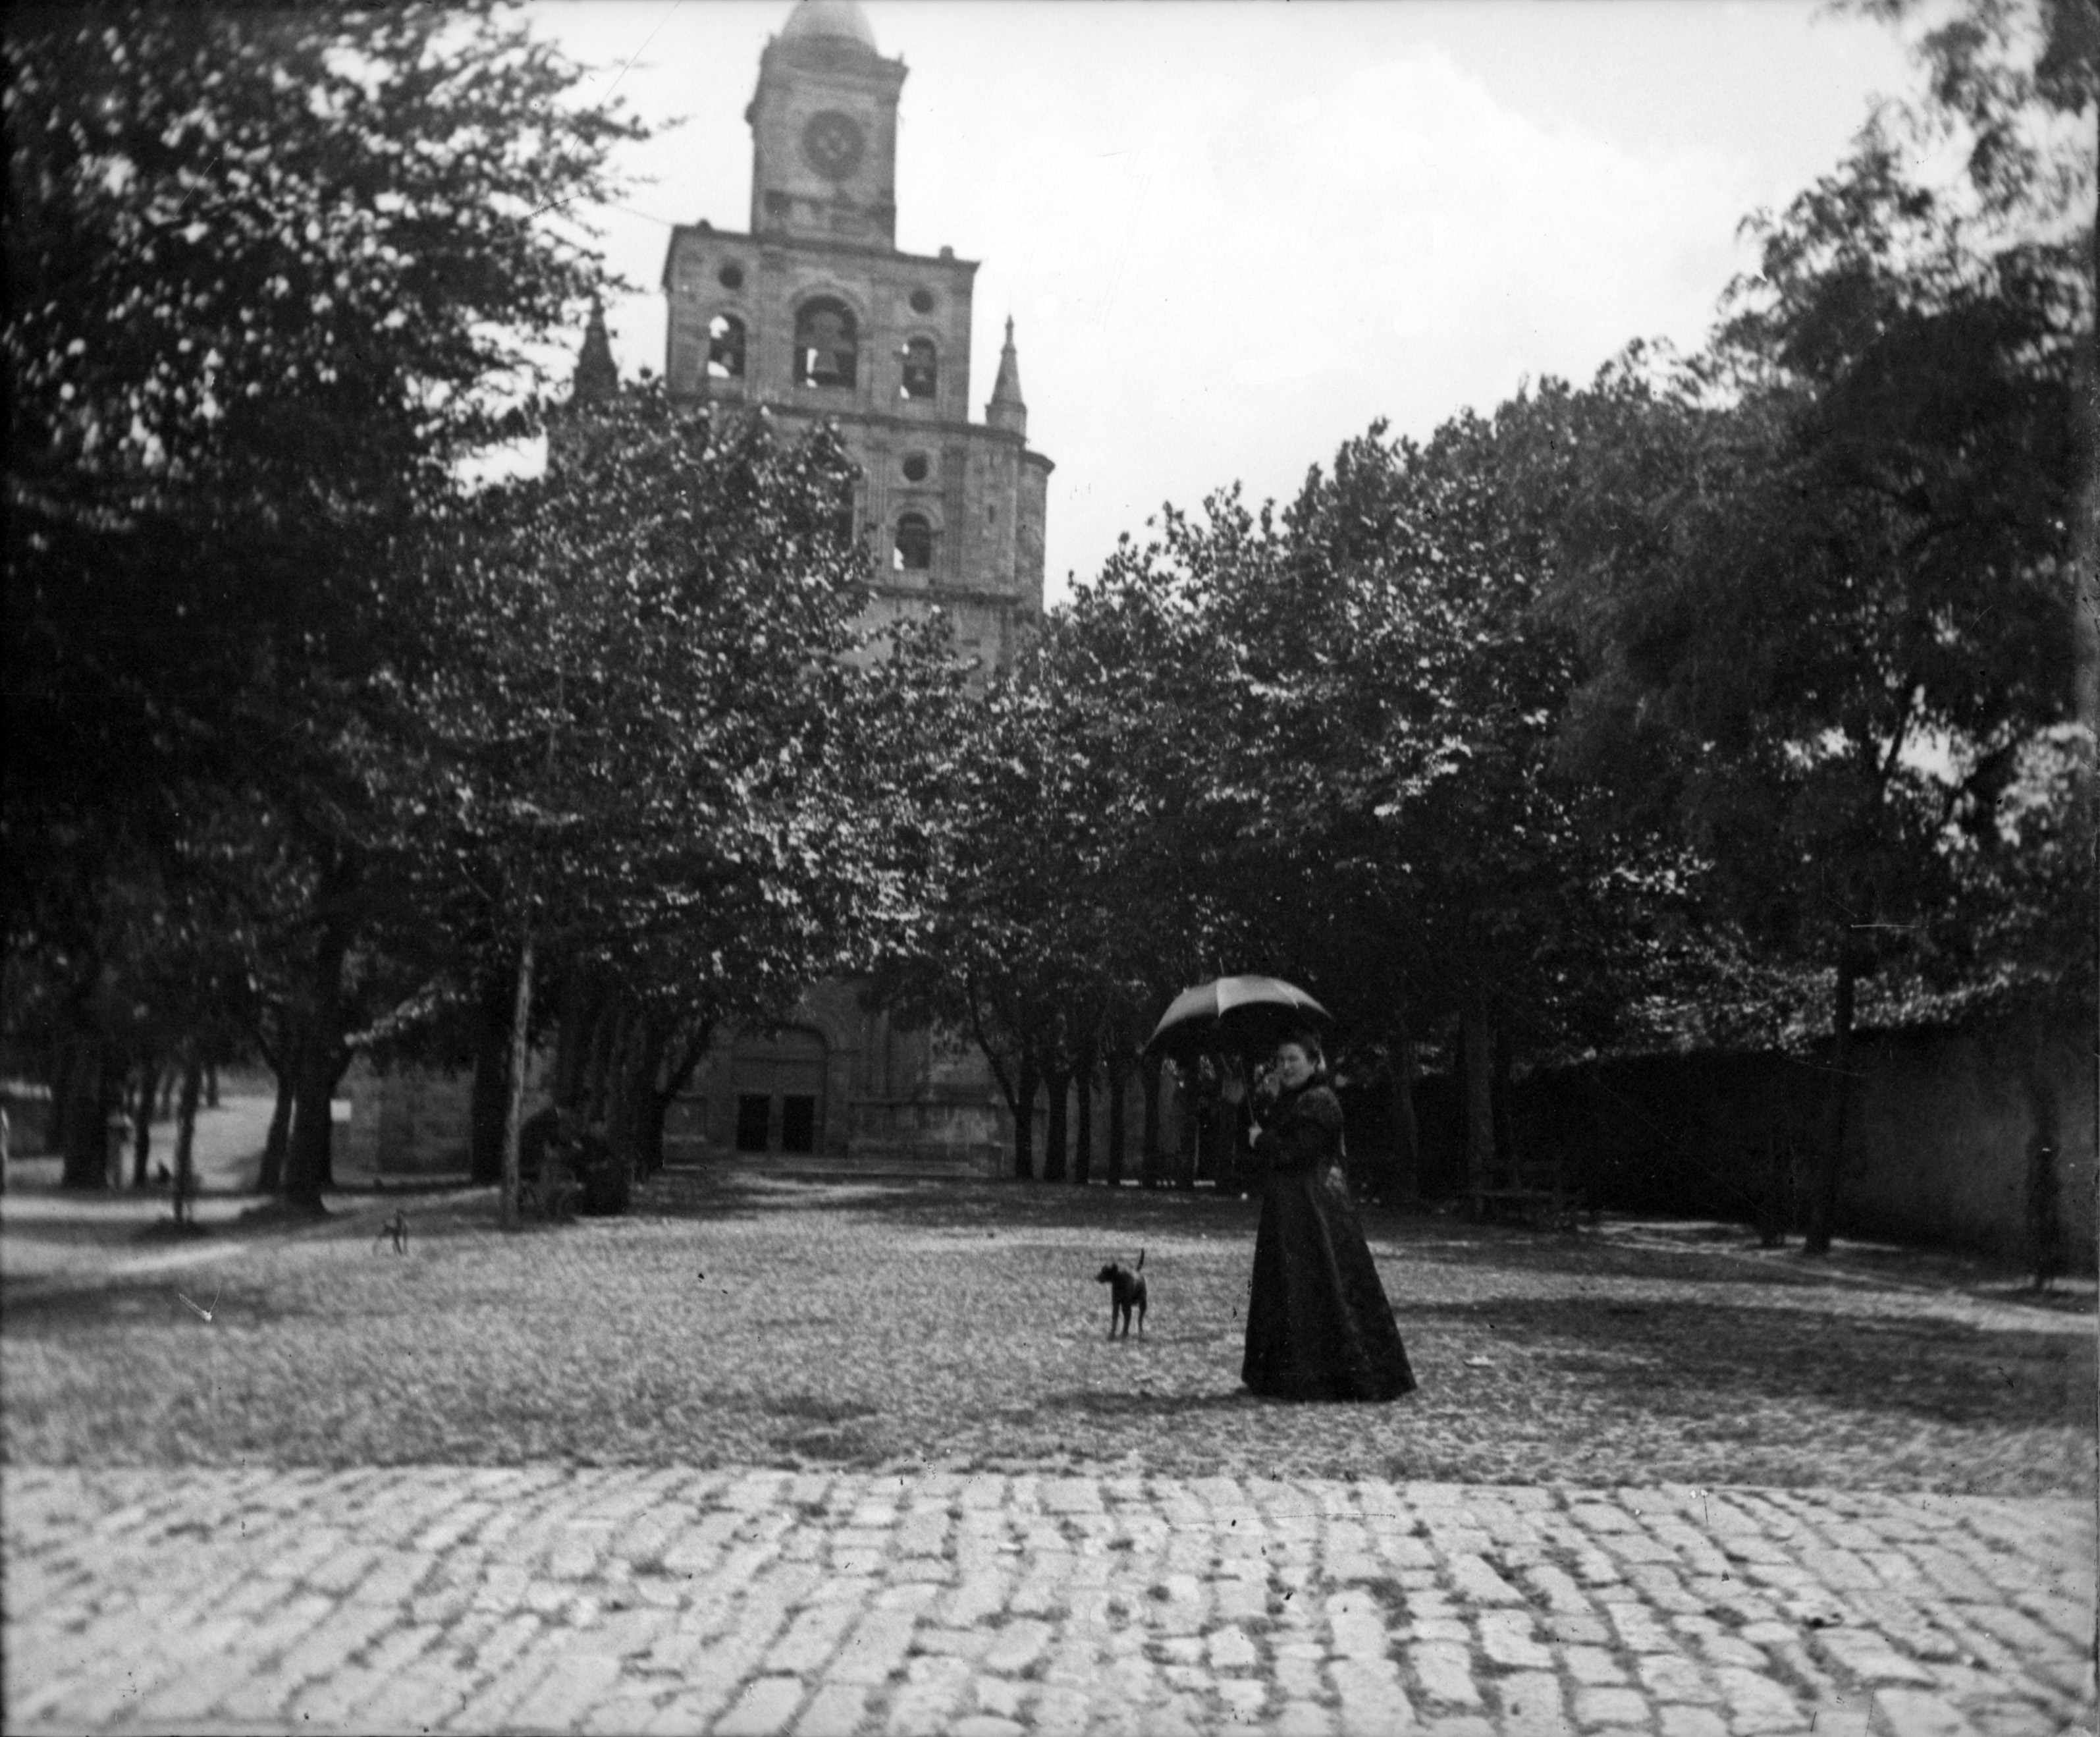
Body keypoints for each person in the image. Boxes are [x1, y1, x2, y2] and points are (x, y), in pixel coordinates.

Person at [1242, 1030, 1416, 1402]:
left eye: (1294, 1060)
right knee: (1291, 1288)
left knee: (1325, 1285)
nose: (1285, 1067)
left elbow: (1300, 1151)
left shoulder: (1321, 1101)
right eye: (1280, 1060)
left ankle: (1333, 1377)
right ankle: (1287, 1377)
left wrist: (1262, 1140)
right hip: (1289, 1210)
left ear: (1313, 1061)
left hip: (1318, 1211)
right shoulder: (1291, 1101)